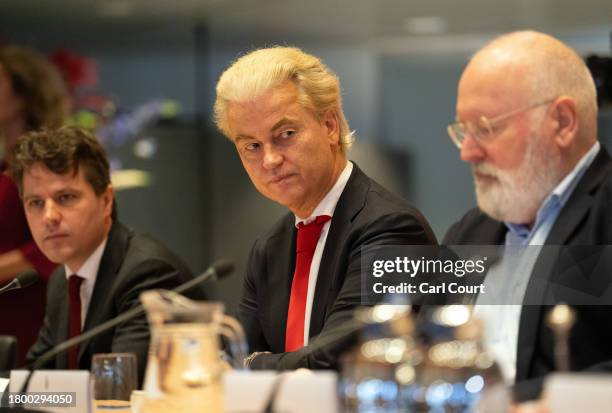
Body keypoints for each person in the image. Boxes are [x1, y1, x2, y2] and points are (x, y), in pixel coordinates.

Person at [214, 46, 437, 370]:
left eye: (285, 134)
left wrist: (252, 365)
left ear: (330, 125)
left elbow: (336, 360)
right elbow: (232, 356)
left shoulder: (392, 227)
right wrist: (245, 364)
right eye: (252, 146)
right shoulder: (269, 248)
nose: (270, 160)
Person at [443, 31, 612, 402]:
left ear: (563, 122)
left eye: (486, 128)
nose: (467, 152)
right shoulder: (468, 233)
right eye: (463, 131)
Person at [11, 126, 203, 383]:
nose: (49, 217)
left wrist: (34, 394)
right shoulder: (62, 279)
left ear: (106, 200)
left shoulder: (147, 273)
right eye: (35, 203)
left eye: (65, 197)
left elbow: (116, 386)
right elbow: (36, 376)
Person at [0, 45, 69, 364]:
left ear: (24, 91)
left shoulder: (51, 160)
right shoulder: (6, 163)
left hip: (28, 308)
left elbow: (51, 246)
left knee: (25, 398)